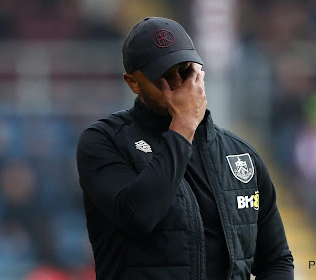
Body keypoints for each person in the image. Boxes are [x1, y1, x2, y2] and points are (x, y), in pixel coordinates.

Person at [76, 17, 294, 280]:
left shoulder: (241, 155)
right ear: (133, 83)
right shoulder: (104, 141)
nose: (178, 84)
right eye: (163, 77)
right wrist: (183, 125)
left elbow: (276, 261)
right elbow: (139, 216)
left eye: (185, 70)